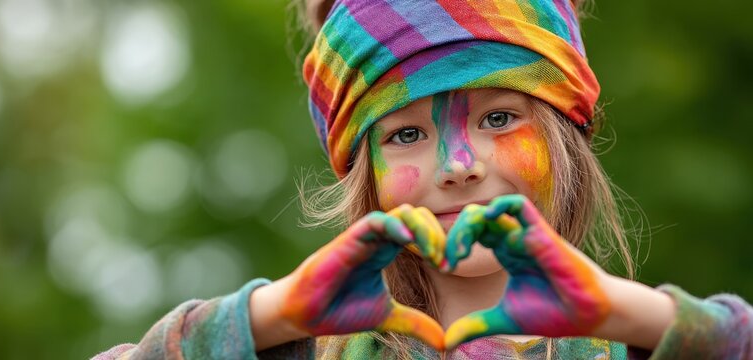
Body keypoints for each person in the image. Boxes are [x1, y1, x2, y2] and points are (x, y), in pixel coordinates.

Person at [93, 0, 753, 359]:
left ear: (566, 141)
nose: (460, 164)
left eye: (500, 117)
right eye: (407, 134)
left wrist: (623, 314)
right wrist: (273, 316)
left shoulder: (627, 345)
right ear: (365, 172)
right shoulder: (311, 352)